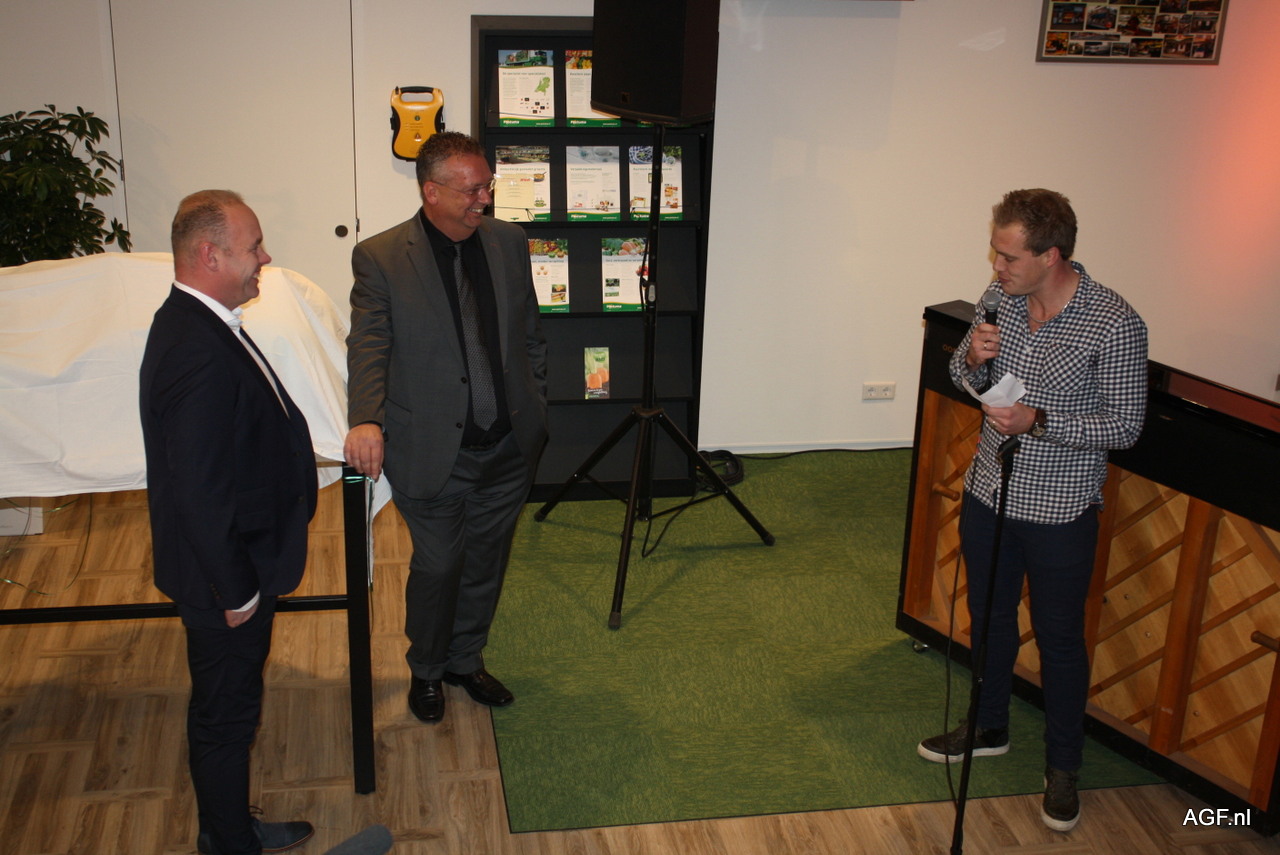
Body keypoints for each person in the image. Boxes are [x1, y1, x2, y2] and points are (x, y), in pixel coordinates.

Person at [916, 189, 1148, 832]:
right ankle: (989, 725)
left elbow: (1126, 425)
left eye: (1008, 256)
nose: (996, 266)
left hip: (1061, 510)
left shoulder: (1114, 323)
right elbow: (968, 380)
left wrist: (1038, 420)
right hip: (990, 491)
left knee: (1059, 640)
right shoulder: (999, 300)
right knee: (988, 617)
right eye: (995, 252)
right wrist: (972, 359)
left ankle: (1063, 767)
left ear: (1052, 256)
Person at [344, 132, 548, 724]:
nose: (485, 198)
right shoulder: (381, 256)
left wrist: (536, 399)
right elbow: (370, 344)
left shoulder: (509, 242)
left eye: (487, 185)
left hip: (506, 446)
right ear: (431, 192)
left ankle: (465, 659)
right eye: (471, 189)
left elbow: (530, 333)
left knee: (486, 561)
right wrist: (365, 417)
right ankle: (427, 668)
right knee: (438, 567)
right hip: (431, 448)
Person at [140, 190, 318, 855]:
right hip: (225, 579)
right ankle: (229, 841)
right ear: (209, 255)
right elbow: (200, 489)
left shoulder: (203, 325)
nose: (264, 258)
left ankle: (229, 826)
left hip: (236, 563)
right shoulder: (195, 346)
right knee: (225, 716)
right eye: (254, 247)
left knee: (231, 708)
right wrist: (236, 589)